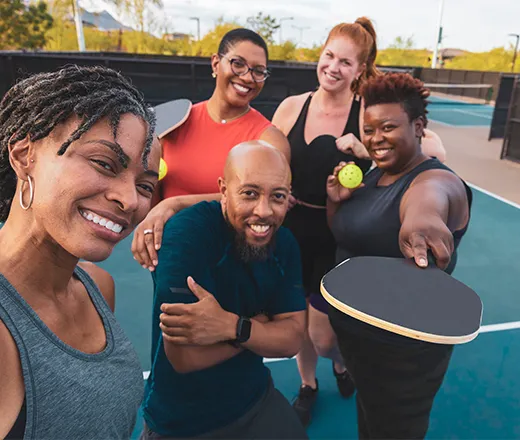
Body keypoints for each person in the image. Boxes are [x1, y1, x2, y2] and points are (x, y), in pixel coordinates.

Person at [271, 17, 447, 427]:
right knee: (299, 322)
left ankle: (342, 363)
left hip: (342, 236)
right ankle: (308, 383)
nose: (333, 67)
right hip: (292, 233)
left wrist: (366, 149)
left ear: (360, 69)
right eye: (328, 56)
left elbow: (433, 148)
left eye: (345, 62)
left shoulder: (366, 110)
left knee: (327, 335)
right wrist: (278, 186)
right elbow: (267, 154)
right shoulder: (291, 107)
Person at [0, 65, 161, 439]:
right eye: (104, 163)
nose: (128, 198)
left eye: (145, 185)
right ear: (25, 155)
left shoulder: (97, 287)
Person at [325, 72, 472, 439]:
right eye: (369, 129)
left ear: (419, 126)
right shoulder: (375, 177)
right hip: (360, 340)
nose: (376, 139)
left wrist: (422, 221)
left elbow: (431, 200)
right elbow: (347, 237)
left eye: (388, 127)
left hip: (402, 354)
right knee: (370, 423)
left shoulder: (435, 180)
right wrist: (336, 201)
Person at [140, 141, 308, 439]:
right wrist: (263, 327)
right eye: (249, 194)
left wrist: (233, 327)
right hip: (181, 421)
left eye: (278, 197)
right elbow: (184, 357)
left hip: (255, 399)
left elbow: (291, 340)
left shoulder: (286, 243)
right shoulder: (187, 234)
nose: (264, 211)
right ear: (223, 190)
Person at [132, 28, 290, 270]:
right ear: (216, 63)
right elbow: (150, 187)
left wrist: (174, 204)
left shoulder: (270, 141)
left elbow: (264, 203)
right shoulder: (174, 122)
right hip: (170, 258)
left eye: (258, 71)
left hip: (233, 263)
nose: (248, 77)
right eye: (238, 64)